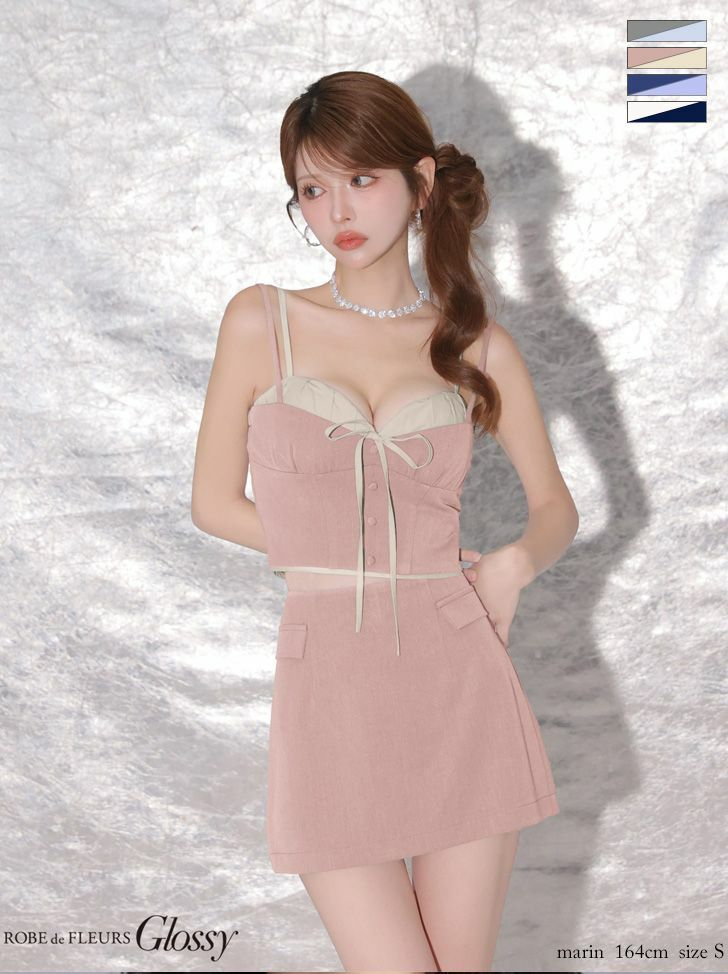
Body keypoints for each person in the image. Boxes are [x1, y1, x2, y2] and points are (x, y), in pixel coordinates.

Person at [191, 70, 579, 973]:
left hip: (459, 681)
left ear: (420, 182)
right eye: (311, 189)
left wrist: (512, 565)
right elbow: (212, 503)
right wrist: (355, 552)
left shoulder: (474, 344)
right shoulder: (261, 321)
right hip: (328, 686)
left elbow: (556, 507)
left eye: (360, 179)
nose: (337, 211)